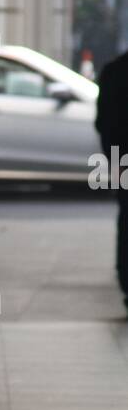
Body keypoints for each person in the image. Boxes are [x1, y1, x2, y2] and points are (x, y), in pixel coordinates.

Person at [94, 48, 128, 316]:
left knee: (126, 216)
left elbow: (103, 122)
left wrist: (112, 155)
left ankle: (126, 277)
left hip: (123, 157)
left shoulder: (112, 71)